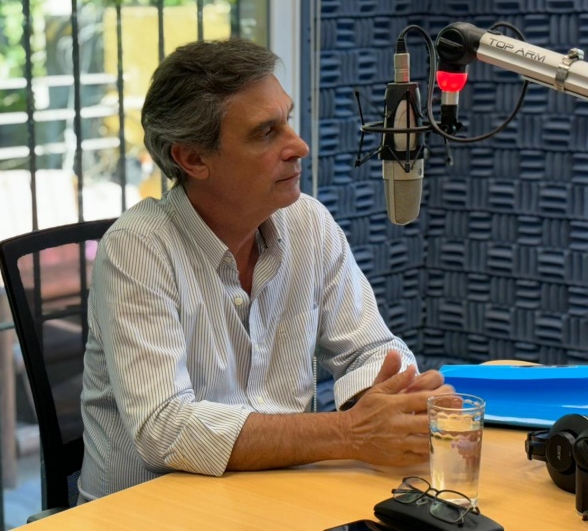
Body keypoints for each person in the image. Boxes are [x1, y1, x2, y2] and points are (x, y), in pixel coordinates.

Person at [78, 38, 450, 502]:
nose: (300, 146)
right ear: (192, 158)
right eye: (266, 133)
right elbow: (165, 427)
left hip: (277, 496)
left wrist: (384, 400)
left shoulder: (308, 222)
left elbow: (372, 348)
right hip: (151, 513)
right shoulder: (137, 249)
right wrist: (351, 432)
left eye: (287, 120)